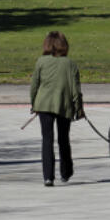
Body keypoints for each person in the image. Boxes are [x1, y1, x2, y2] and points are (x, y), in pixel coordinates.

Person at [29, 30, 83, 187]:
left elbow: (34, 86)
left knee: (47, 139)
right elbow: (76, 90)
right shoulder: (70, 64)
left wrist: (34, 104)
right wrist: (79, 109)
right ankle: (65, 172)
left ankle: (48, 176)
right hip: (64, 106)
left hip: (43, 105)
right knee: (63, 139)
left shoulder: (40, 62)